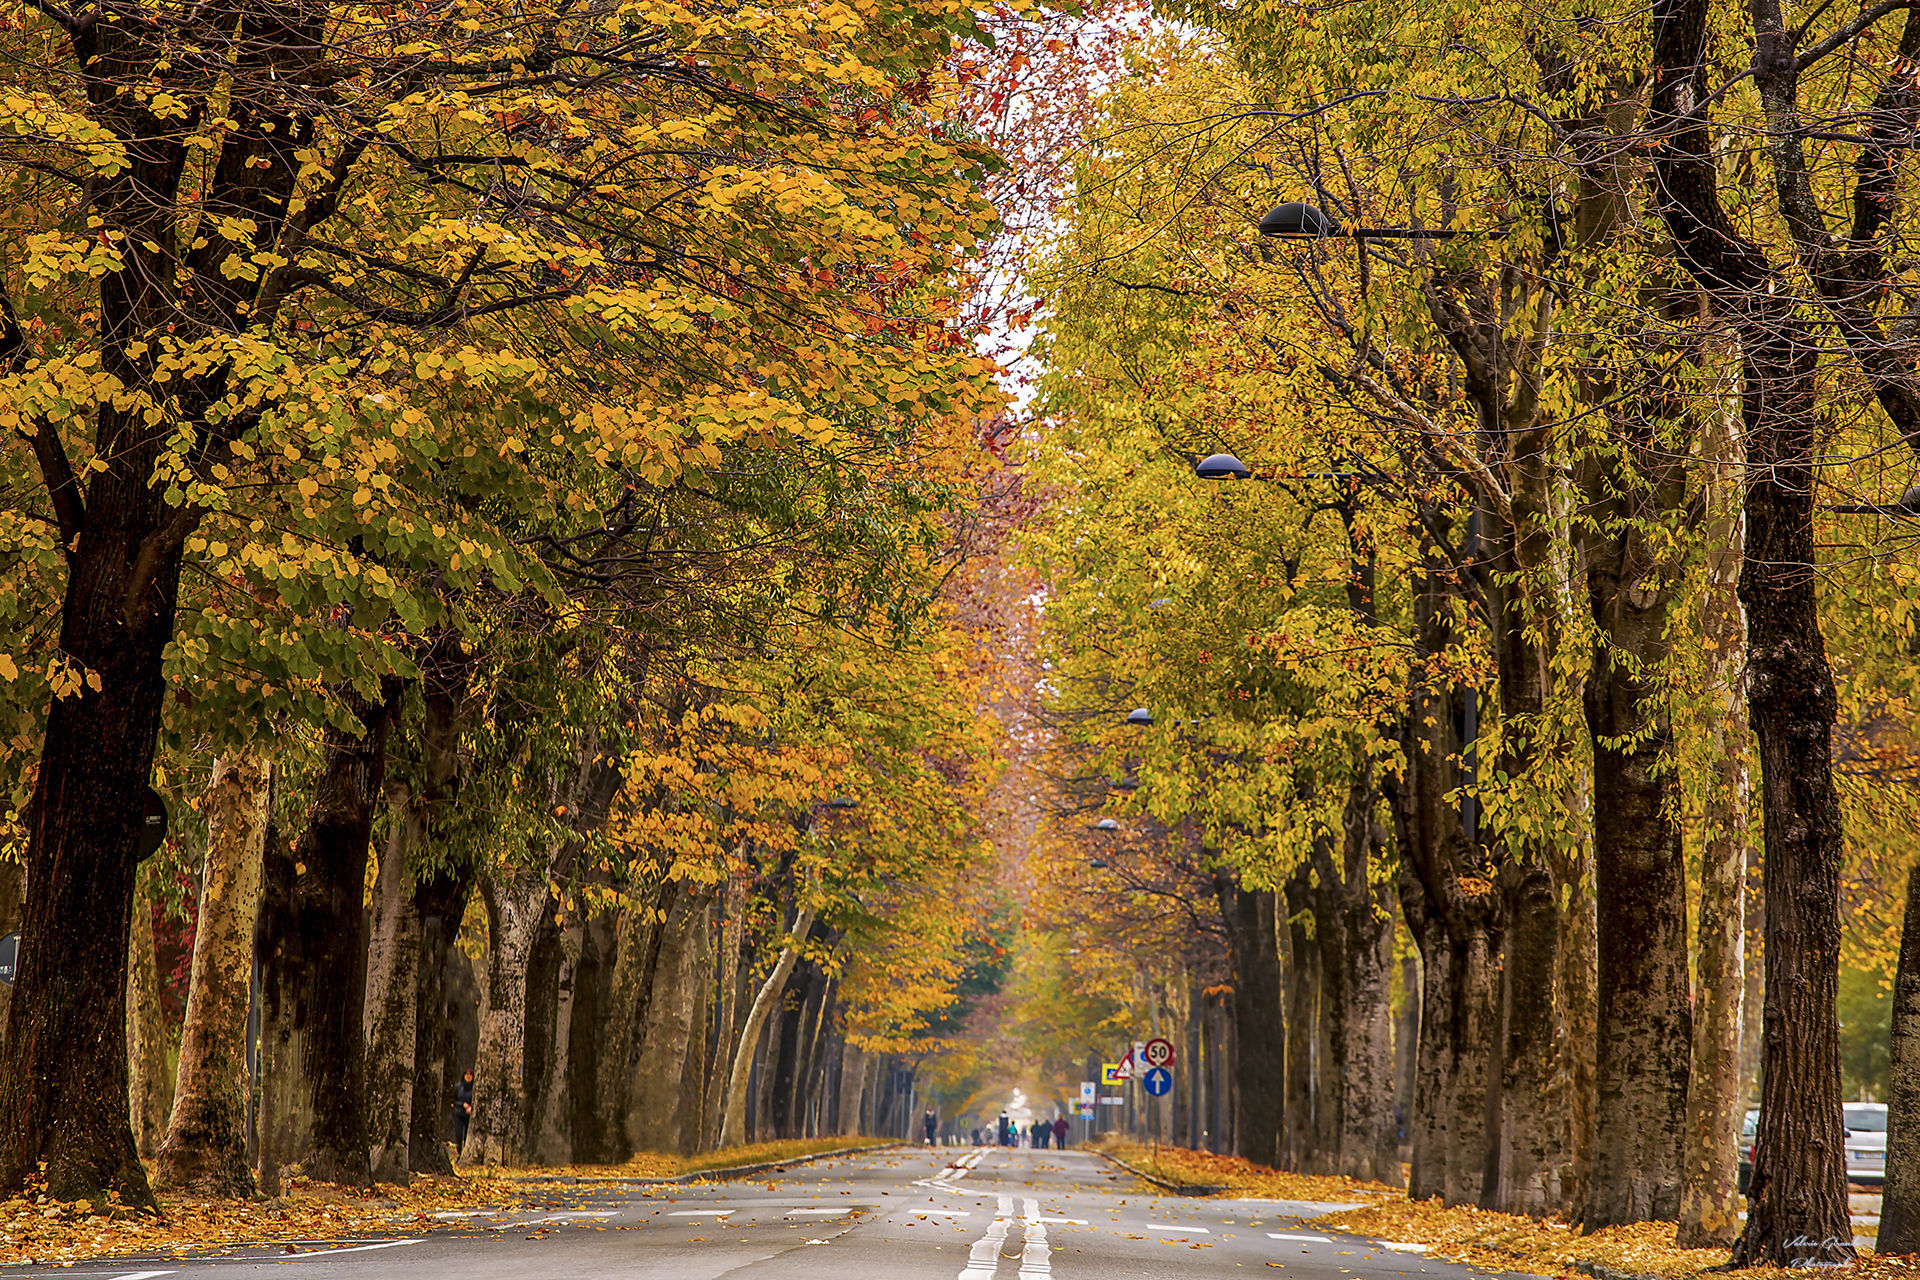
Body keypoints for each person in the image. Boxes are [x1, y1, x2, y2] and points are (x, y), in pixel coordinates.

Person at [453, 1068, 474, 1147]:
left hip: (469, 1115)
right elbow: (453, 1100)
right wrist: (462, 1105)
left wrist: (471, 1108)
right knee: (458, 1134)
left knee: (467, 1136)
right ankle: (459, 1150)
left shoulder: (474, 1088)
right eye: (466, 1074)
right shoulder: (458, 1087)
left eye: (470, 1074)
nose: (468, 1076)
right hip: (459, 1114)